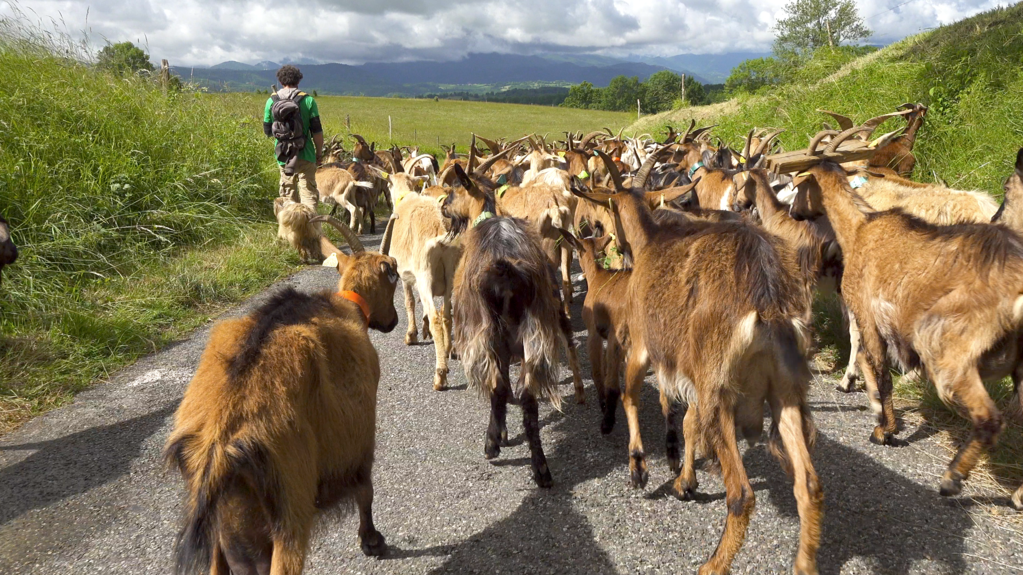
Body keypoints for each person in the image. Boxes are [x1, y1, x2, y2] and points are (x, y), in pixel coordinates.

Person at [263, 65, 323, 209]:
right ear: (298, 80)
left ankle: (291, 229)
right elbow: (317, 132)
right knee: (308, 196)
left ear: (281, 81)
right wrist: (319, 153)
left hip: (283, 155)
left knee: (288, 197)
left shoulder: (272, 101)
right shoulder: (308, 100)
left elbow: (267, 131)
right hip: (306, 154)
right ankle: (310, 228)